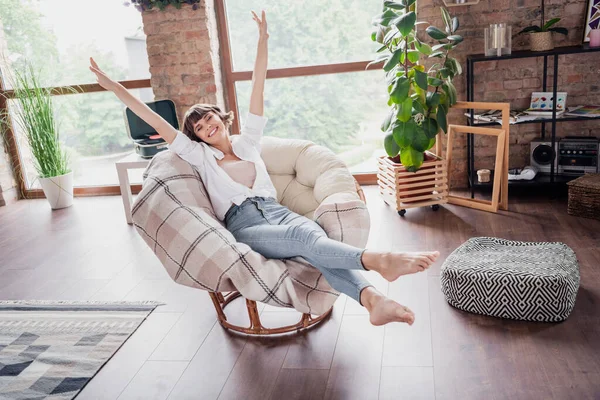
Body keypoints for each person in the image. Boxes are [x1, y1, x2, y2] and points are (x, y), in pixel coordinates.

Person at [89, 10, 439, 326]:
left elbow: (258, 84)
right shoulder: (200, 158)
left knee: (314, 241)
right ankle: (380, 260)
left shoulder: (247, 143)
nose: (205, 124)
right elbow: (153, 118)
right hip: (245, 223)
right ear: (196, 138)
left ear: (220, 117)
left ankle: (373, 300)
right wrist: (113, 86)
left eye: (208, 116)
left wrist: (262, 39)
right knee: (306, 238)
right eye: (197, 126)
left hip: (277, 211)